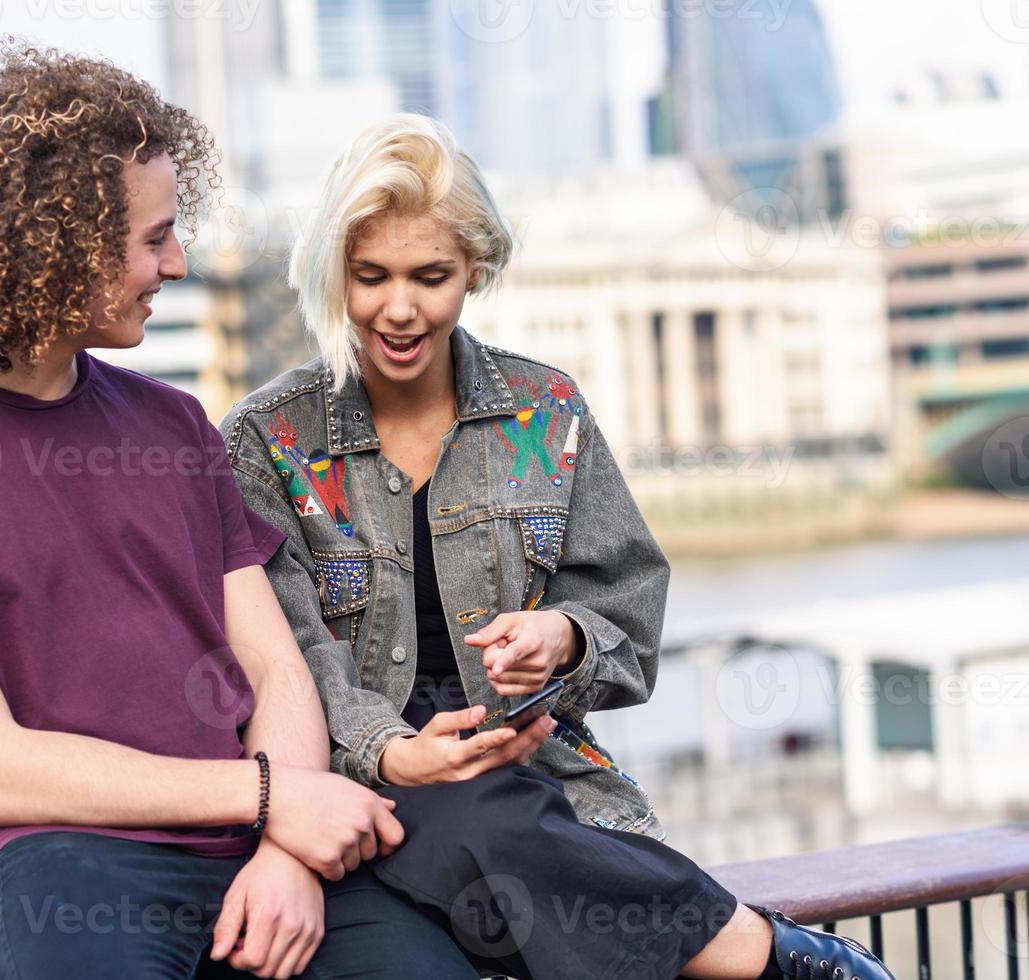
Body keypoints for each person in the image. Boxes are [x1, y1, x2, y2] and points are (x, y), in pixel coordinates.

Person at [0, 48, 482, 980]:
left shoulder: (175, 426)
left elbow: (277, 672)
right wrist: (272, 796)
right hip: (59, 866)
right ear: (55, 247)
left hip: (259, 843)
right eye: (153, 237)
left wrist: (285, 848)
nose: (177, 261)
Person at [220, 113, 894, 980]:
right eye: (369, 277)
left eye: (430, 276)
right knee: (477, 812)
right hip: (352, 781)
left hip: (538, 781)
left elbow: (629, 617)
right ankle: (768, 956)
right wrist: (393, 752)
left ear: (475, 270)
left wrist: (563, 638)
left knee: (494, 813)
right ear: (331, 275)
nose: (398, 308)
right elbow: (285, 656)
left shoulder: (545, 412)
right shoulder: (264, 440)